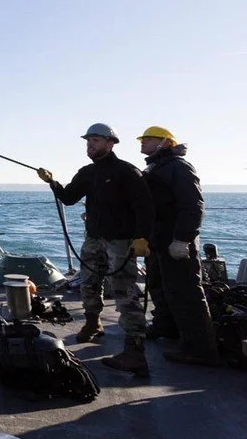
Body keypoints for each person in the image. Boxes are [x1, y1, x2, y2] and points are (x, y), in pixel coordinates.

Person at [37, 123, 154, 376]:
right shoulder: (88, 173)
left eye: (97, 140)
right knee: (89, 282)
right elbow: (68, 197)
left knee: (124, 289)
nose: (91, 144)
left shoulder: (127, 172)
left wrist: (142, 238)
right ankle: (93, 323)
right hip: (94, 238)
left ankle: (135, 351)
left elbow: (145, 207)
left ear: (111, 143)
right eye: (89, 140)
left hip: (121, 241)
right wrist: (52, 182)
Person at [138, 126, 221, 367]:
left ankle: (201, 349)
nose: (142, 143)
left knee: (185, 293)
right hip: (158, 238)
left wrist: (182, 239)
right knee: (159, 285)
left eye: (147, 139)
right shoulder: (156, 167)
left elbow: (193, 206)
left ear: (165, 142)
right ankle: (167, 327)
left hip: (176, 239)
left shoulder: (178, 167)